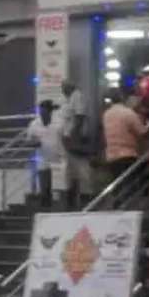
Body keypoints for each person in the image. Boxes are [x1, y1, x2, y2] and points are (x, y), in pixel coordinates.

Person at [102, 88, 149, 188]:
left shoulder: (106, 114)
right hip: (127, 155)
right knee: (130, 187)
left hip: (111, 157)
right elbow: (143, 132)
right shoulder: (128, 113)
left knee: (118, 187)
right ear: (122, 98)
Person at [60, 79, 94, 210]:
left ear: (69, 87)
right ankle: (72, 202)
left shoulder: (77, 96)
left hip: (76, 140)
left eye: (63, 87)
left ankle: (86, 201)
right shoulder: (68, 99)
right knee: (71, 173)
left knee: (82, 170)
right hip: (68, 141)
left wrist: (73, 138)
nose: (62, 90)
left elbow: (80, 118)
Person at [27, 100, 64, 208]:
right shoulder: (34, 124)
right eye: (41, 111)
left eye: (45, 111)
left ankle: (60, 209)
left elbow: (65, 138)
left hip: (58, 160)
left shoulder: (59, 123)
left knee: (59, 189)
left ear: (50, 111)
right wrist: (34, 143)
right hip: (43, 160)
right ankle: (45, 208)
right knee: (45, 188)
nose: (43, 114)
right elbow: (28, 141)